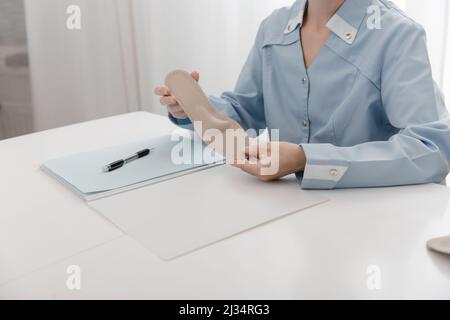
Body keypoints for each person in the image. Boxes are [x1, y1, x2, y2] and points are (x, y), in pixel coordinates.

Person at [154, 0, 450, 190]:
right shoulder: (273, 28)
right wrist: (192, 109)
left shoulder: (397, 34)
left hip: (370, 219)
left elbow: (431, 151)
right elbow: (245, 111)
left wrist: (306, 159)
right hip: (286, 214)